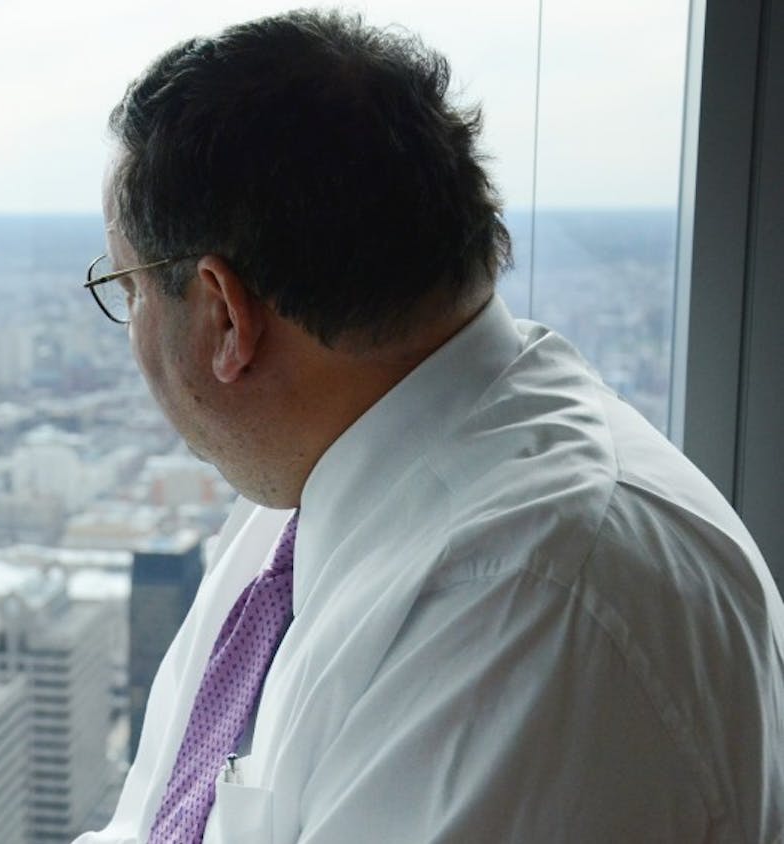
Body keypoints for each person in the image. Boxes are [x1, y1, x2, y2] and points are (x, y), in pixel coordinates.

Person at [75, 10, 784, 843]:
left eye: (126, 290)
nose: (129, 326)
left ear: (225, 316)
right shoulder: (313, 485)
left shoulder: (530, 602)